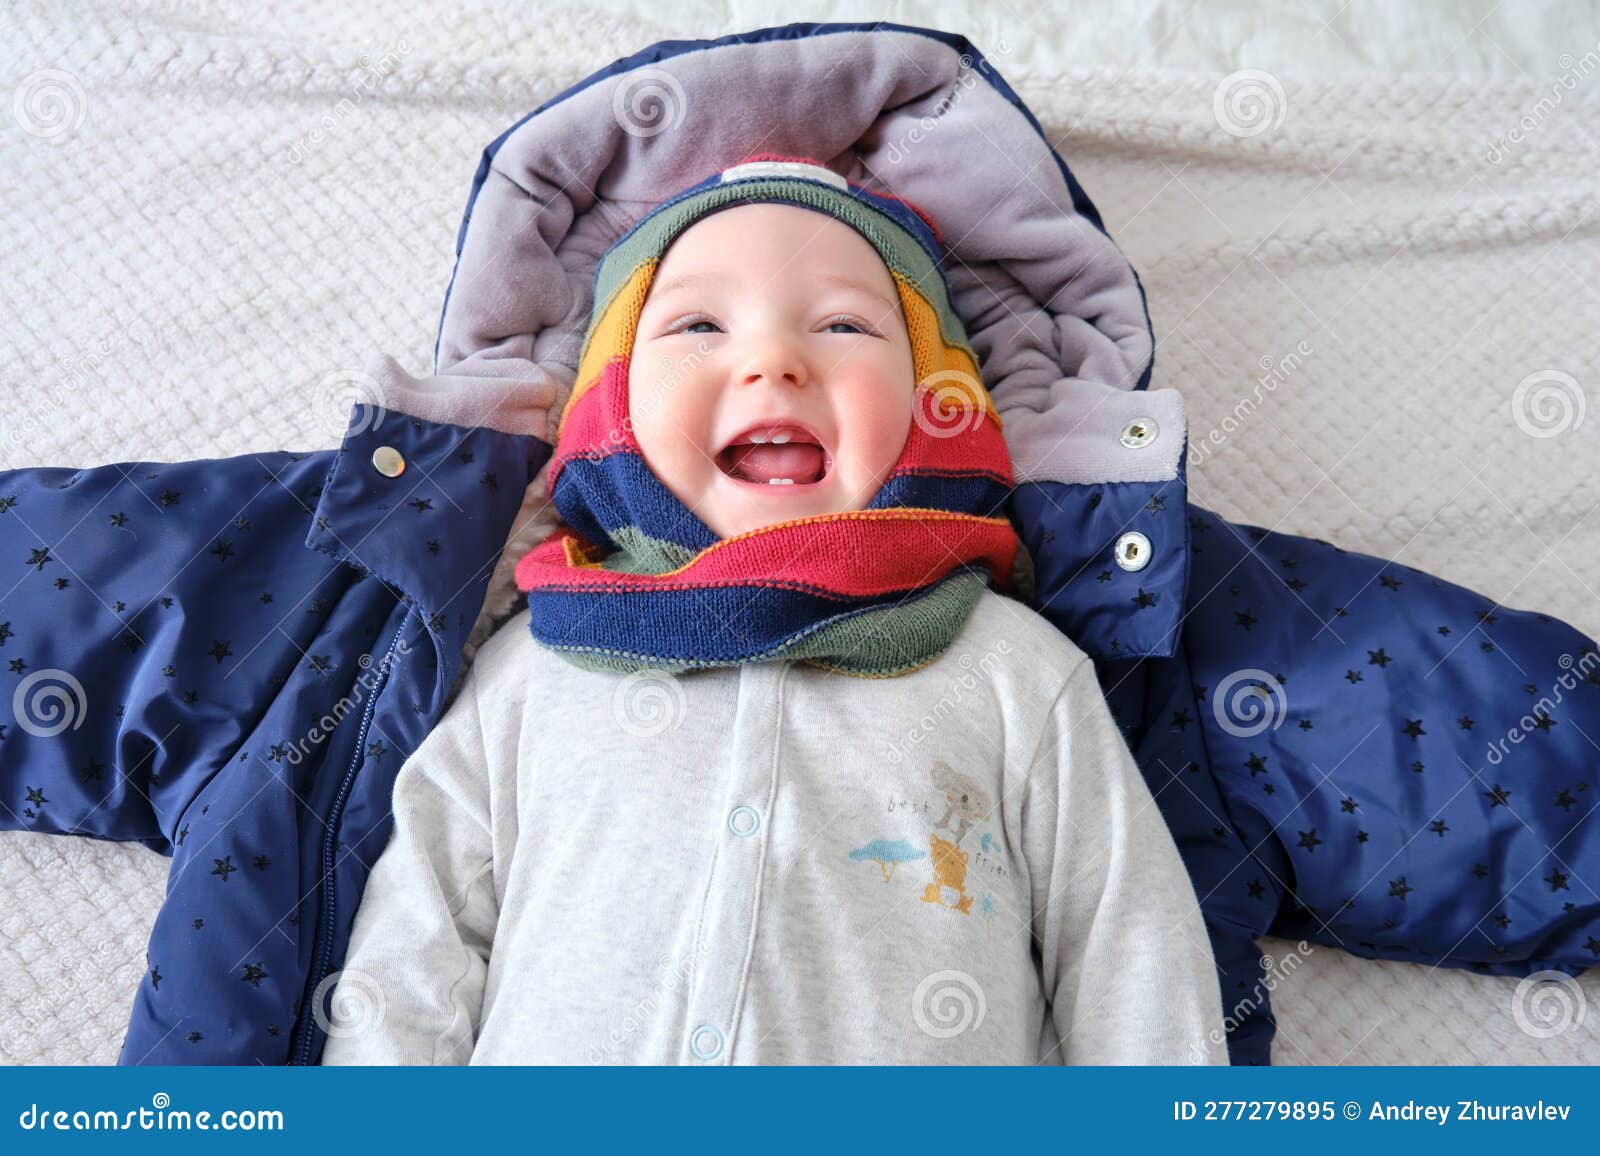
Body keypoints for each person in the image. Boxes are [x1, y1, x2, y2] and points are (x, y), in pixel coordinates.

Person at [317, 156, 1230, 1065]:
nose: (774, 362)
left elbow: (1128, 949)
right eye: (699, 324)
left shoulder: (1011, 670)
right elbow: (415, 949)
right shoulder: (534, 664)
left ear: (934, 401)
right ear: (612, 404)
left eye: (843, 324)